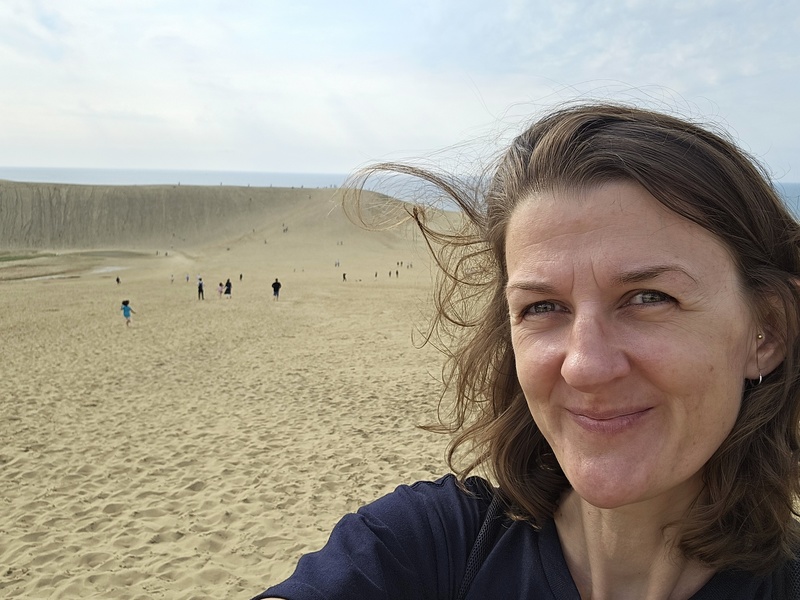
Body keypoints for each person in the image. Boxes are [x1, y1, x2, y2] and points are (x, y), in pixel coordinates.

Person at [252, 103, 800, 599]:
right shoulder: (427, 548)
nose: (584, 365)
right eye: (542, 307)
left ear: (767, 331)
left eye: (648, 297)